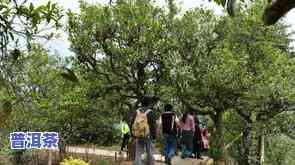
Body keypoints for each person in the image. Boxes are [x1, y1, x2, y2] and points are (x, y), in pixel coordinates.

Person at [131, 95, 157, 165]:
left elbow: (132, 123)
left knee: (138, 152)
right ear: (149, 103)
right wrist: (154, 136)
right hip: (148, 135)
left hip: (139, 134)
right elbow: (153, 125)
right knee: (150, 153)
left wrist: (133, 135)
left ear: (141, 102)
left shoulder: (136, 111)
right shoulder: (151, 112)